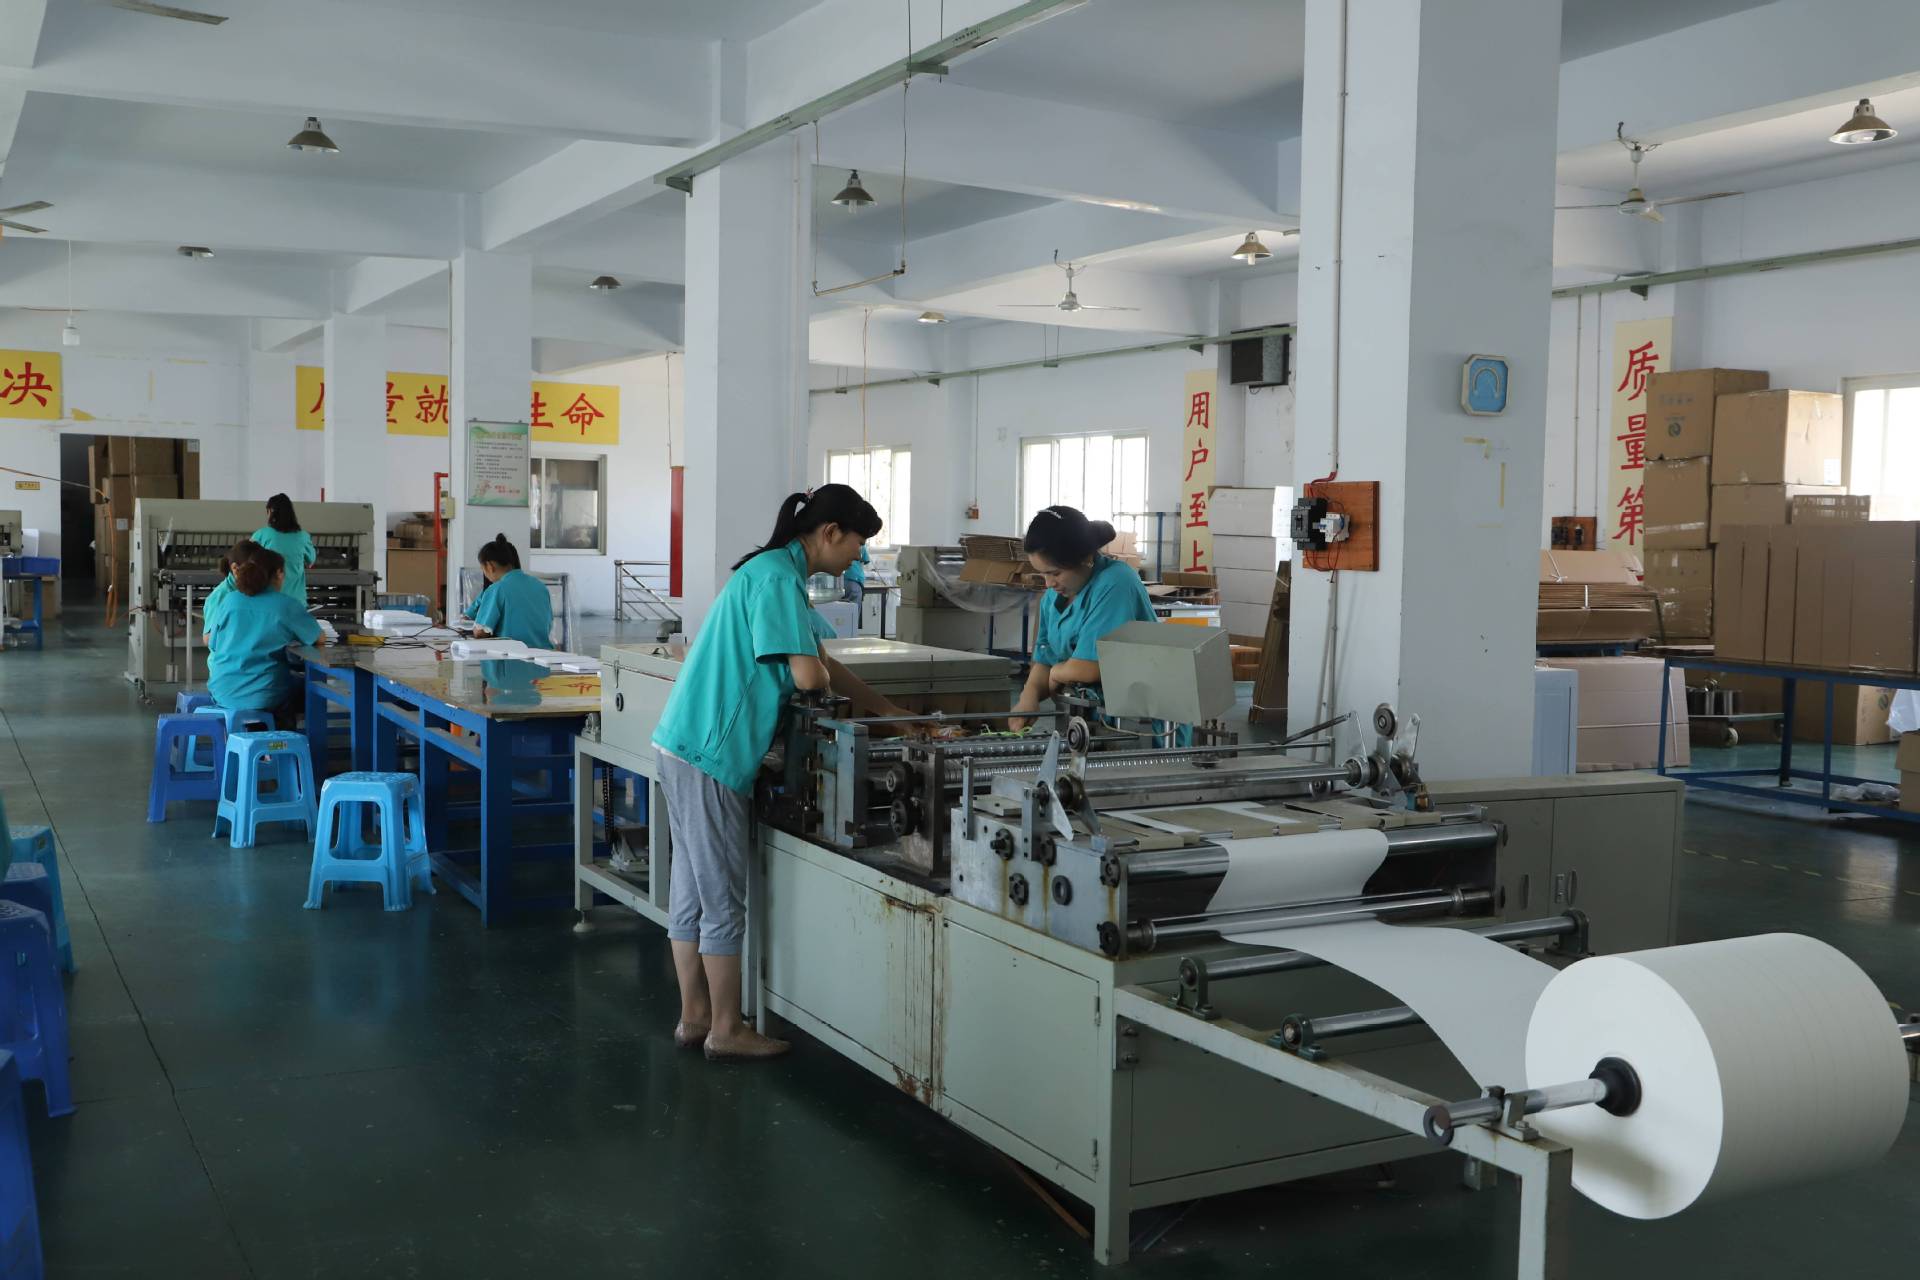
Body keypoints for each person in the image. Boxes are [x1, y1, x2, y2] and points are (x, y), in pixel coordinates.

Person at [651, 484, 914, 1062]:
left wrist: (890, 714)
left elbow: (825, 661)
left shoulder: (775, 573)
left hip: (683, 745)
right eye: (857, 544)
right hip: (713, 754)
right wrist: (825, 683)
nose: (857, 557)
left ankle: (695, 1017)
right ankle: (726, 1028)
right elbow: (810, 676)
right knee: (722, 897)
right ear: (830, 533)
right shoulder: (776, 579)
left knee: (691, 889)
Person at [1009, 505, 1156, 731]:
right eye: (1042, 573)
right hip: (1089, 722)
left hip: (1139, 723)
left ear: (1086, 558)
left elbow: (1090, 668)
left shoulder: (1116, 582)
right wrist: (1028, 697)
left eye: (1055, 573)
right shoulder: (1053, 598)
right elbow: (1045, 660)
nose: (1048, 583)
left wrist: (1057, 672)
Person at [206, 545, 325, 719]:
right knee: (312, 687)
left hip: (222, 691)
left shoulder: (229, 600)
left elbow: (213, 643)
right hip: (265, 695)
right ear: (279, 574)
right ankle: (288, 732)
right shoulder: (286, 604)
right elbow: (319, 638)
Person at [468, 534, 554, 649]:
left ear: (489, 566)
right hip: (543, 654)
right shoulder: (540, 586)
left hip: (512, 655)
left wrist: (475, 629)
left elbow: (480, 633)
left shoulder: (497, 589)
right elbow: (548, 625)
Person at [251, 494, 317, 608]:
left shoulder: (261, 535)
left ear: (270, 512)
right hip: (296, 602)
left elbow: (247, 560)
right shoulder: (303, 537)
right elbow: (311, 561)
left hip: (269, 601)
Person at [201, 538, 257, 641]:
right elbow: (208, 638)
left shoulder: (253, 589)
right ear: (235, 568)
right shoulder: (220, 596)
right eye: (254, 570)